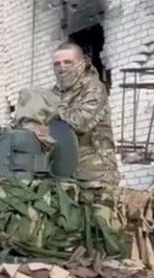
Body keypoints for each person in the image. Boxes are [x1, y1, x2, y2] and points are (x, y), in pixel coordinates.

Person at [51, 41, 120, 187]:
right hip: (64, 176)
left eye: (68, 62)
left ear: (81, 63)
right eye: (57, 64)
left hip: (96, 176)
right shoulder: (55, 93)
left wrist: (49, 111)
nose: (62, 68)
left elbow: (79, 123)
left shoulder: (94, 89)